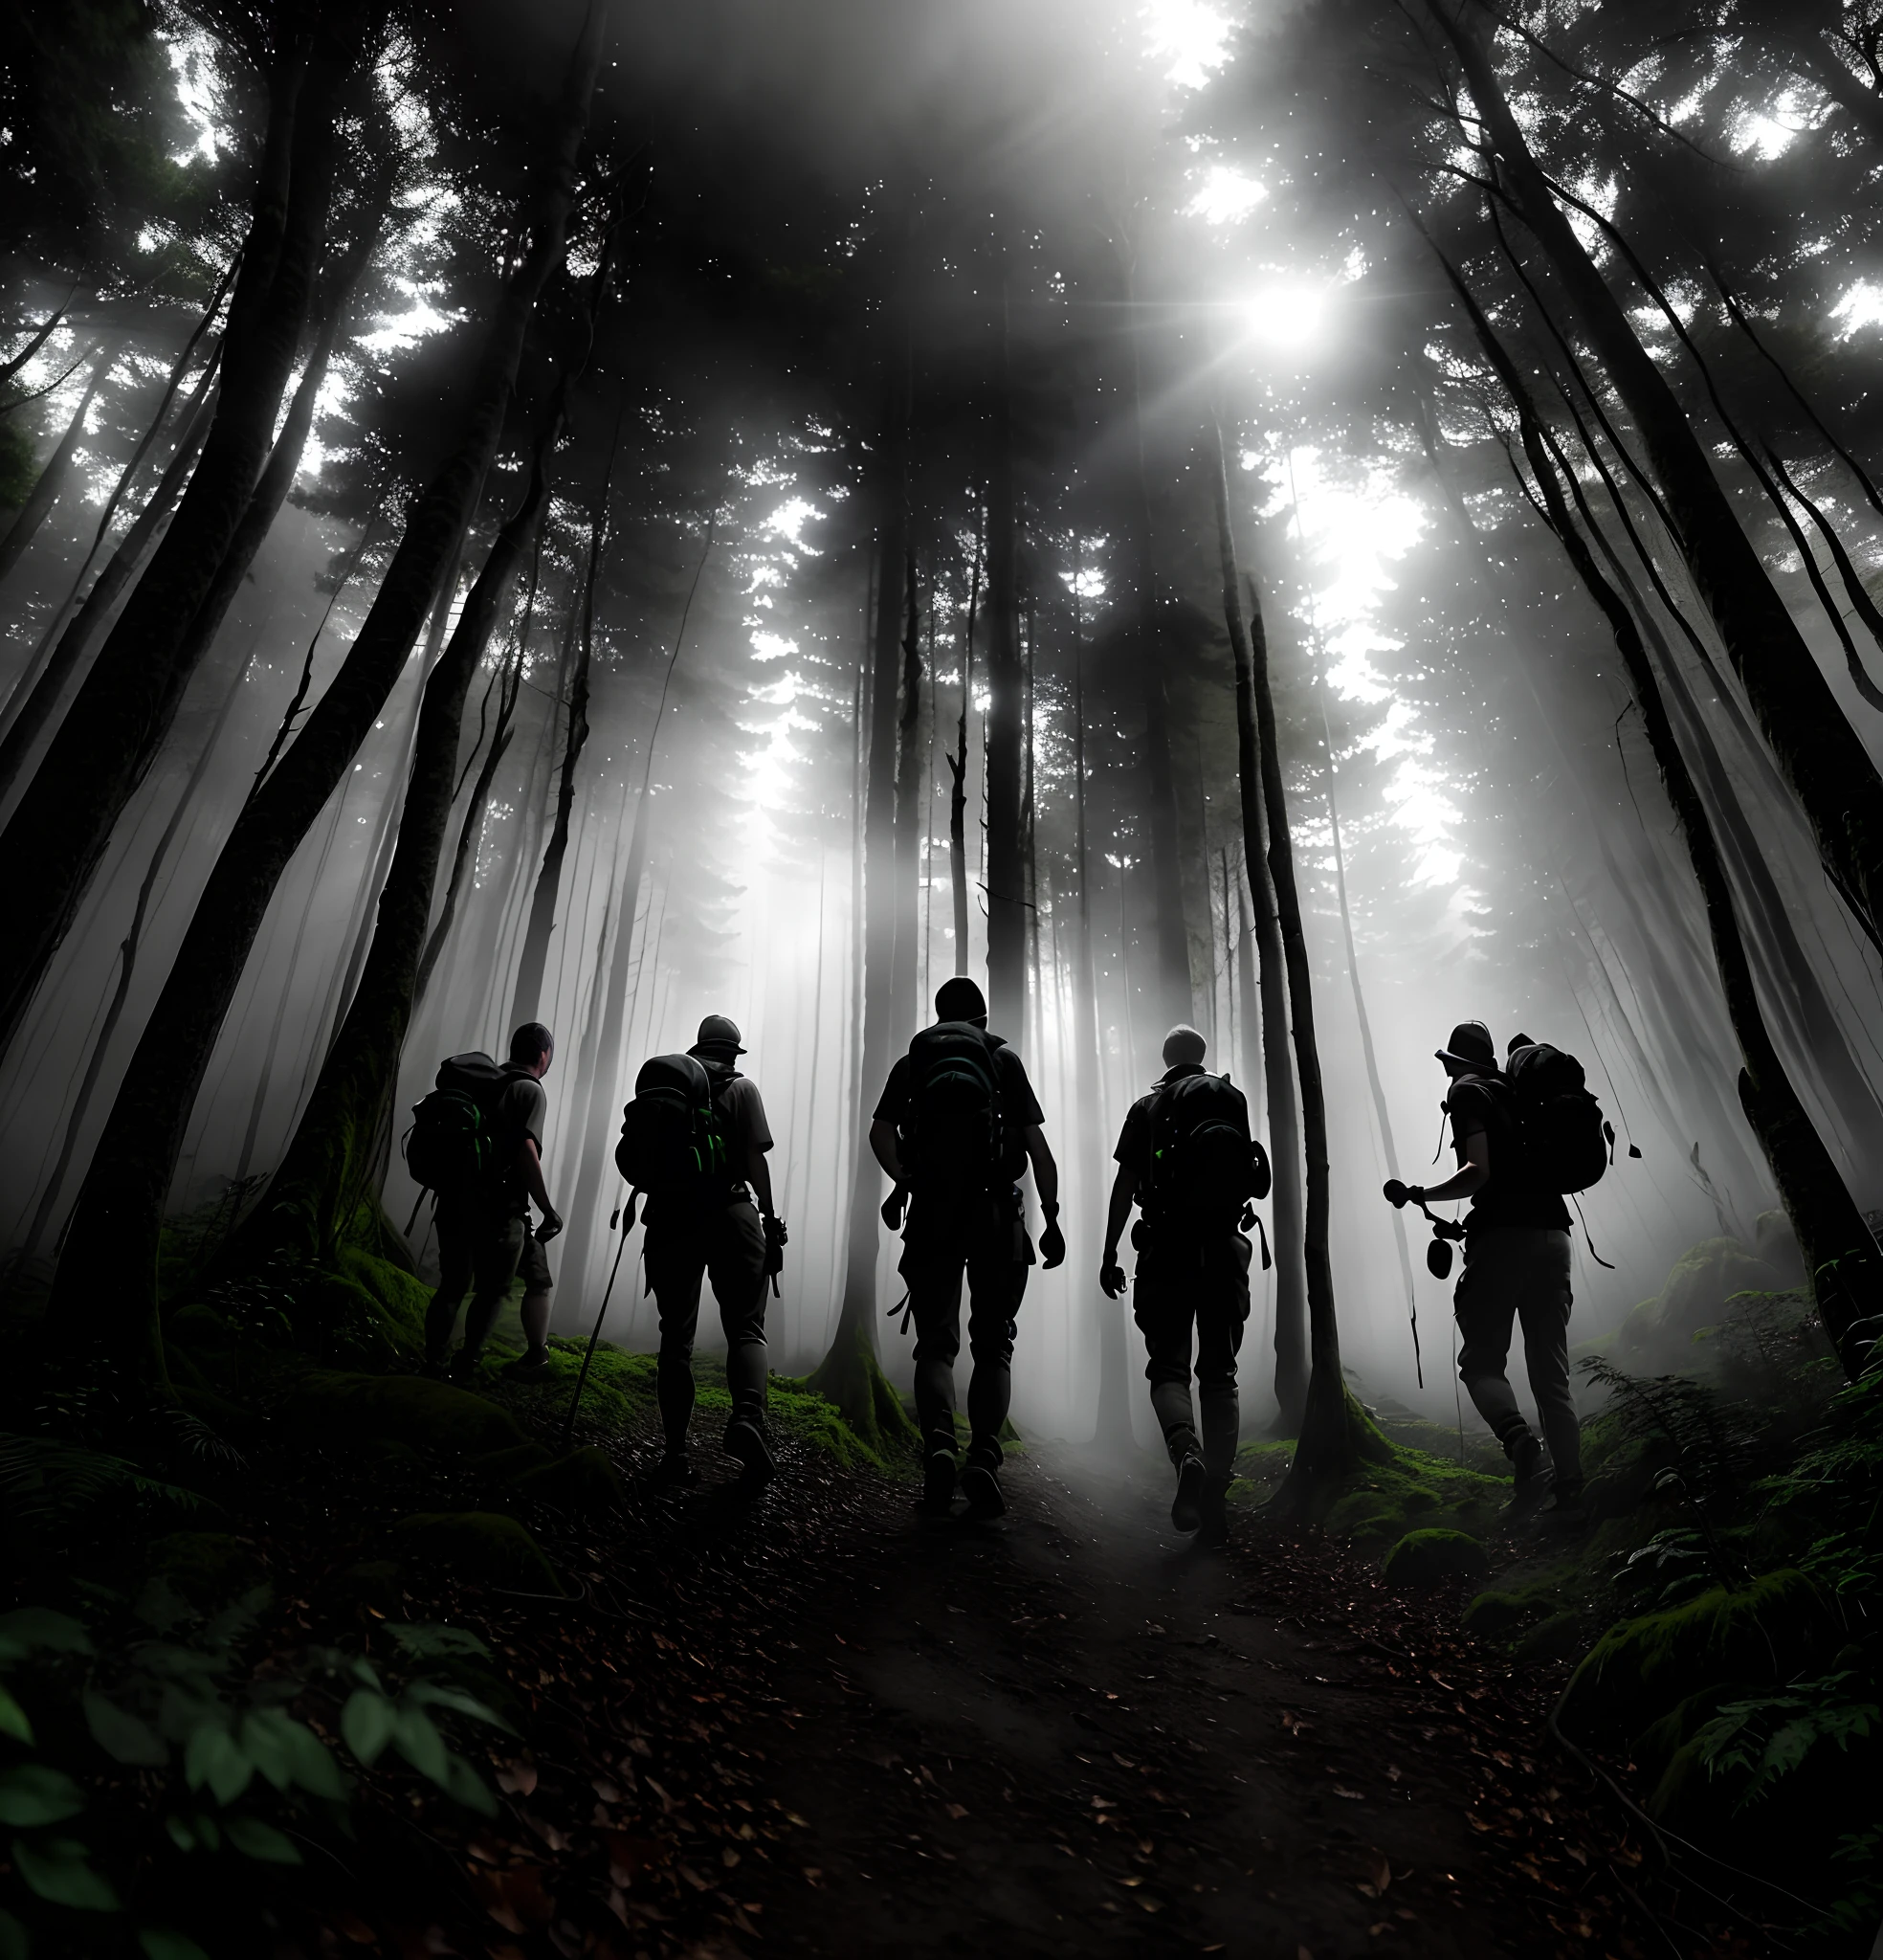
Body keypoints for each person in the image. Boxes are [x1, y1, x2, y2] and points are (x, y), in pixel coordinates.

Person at [871, 975, 1064, 1519]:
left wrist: (904, 1179)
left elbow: (879, 1133)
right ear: (981, 1018)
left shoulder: (915, 1060)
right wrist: (1050, 1220)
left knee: (936, 1343)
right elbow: (1038, 1151)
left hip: (932, 1211)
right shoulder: (1002, 1059)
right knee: (994, 1343)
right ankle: (982, 1455)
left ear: (938, 1016)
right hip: (996, 1213)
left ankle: (937, 1444)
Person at [1384, 1019, 1582, 1514]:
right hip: (1554, 1236)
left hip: (1503, 1240)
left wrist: (1422, 1193)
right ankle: (1572, 1493)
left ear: (1453, 1064)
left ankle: (1518, 1442)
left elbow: (1478, 1172)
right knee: (1551, 1375)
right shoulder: (1519, 1095)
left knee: (1480, 1364)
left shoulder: (1469, 1093)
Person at [1100, 1026, 1257, 1542]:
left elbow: (1125, 1186)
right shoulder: (1231, 1098)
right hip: (1225, 1246)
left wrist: (1109, 1253)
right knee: (1220, 1374)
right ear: (1202, 1057)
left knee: (1168, 1366)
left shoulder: (1147, 1109)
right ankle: (1217, 1498)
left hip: (1167, 1246)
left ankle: (1186, 1451)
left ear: (1166, 1059)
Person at [644, 1014, 785, 1487]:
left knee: (674, 1337)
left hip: (670, 1217)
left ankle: (676, 1452)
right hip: (729, 1211)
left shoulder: (669, 1089)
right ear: (732, 1052)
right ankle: (747, 1417)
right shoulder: (741, 1089)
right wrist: (768, 1213)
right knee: (746, 1326)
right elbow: (752, 1158)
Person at [422, 1022, 564, 1382]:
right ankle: (467, 1364)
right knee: (492, 1291)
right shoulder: (529, 1089)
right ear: (544, 1055)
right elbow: (525, 1151)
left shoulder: (481, 1083)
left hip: (454, 1199)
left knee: (452, 1285)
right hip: (501, 1209)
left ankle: (432, 1362)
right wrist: (546, 1207)